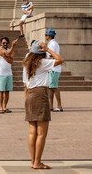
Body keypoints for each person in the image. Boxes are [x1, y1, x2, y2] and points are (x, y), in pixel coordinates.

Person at [23, 40, 64, 170]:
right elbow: (60, 59)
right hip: (40, 94)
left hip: (29, 94)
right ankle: (37, 162)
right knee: (41, 133)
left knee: (32, 132)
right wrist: (48, 49)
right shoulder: (42, 63)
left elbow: (25, 84)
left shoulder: (27, 64)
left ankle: (32, 160)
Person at [0, 36, 18, 113]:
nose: (5, 44)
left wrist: (6, 56)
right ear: (1, 43)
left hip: (9, 73)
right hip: (1, 74)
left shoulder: (10, 50)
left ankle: (5, 106)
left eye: (6, 42)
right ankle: (0, 107)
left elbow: (11, 60)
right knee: (1, 91)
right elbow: (8, 55)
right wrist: (12, 47)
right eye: (3, 43)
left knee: (7, 91)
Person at [44, 28, 64, 112]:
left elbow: (52, 56)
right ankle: (51, 105)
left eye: (46, 35)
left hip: (53, 68)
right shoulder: (53, 43)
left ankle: (59, 105)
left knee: (54, 87)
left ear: (48, 36)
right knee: (51, 87)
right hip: (53, 67)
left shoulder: (52, 44)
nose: (45, 36)